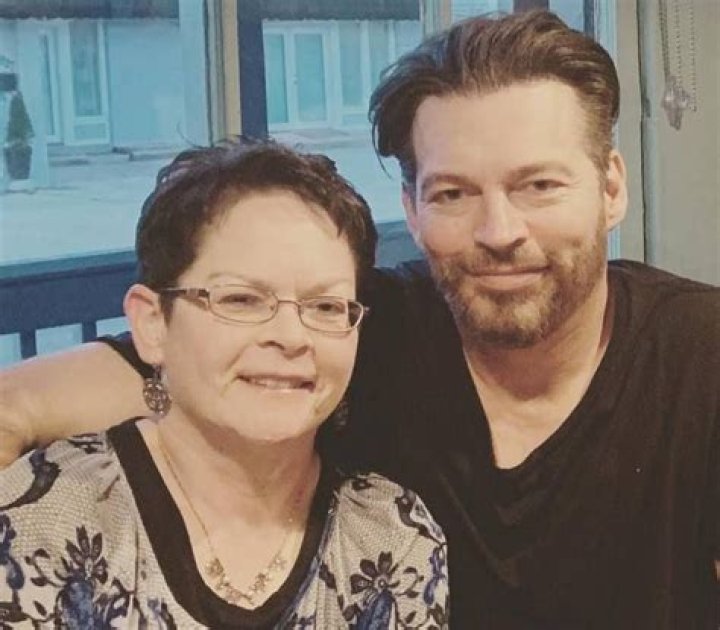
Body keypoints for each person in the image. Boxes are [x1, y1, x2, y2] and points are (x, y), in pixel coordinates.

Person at [0, 9, 718, 628]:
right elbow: (37, 402)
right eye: (453, 194)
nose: (500, 231)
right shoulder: (350, 332)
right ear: (412, 209)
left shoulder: (701, 355)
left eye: (539, 184)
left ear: (611, 188)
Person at [0, 141, 449, 628]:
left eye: (325, 307)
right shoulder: (43, 518)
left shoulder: (391, 534)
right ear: (152, 323)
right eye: (241, 300)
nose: (291, 337)